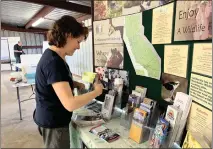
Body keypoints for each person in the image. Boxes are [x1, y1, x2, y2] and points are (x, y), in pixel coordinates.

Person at [33, 15, 104, 148]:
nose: (78, 47)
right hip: (54, 124)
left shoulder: (54, 57)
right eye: (78, 42)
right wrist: (96, 92)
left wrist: (73, 83)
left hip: (50, 118)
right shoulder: (54, 62)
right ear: (68, 35)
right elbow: (70, 104)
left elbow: (54, 83)